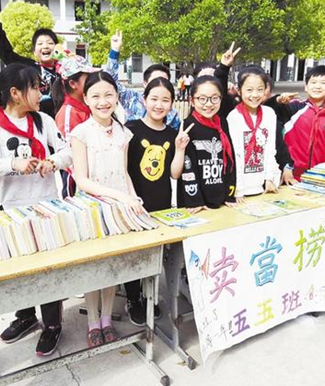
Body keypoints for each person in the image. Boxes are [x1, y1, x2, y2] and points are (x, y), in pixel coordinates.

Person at [0, 63, 71, 356]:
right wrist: (12, 164)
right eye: (35, 87)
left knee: (48, 268)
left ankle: (52, 324)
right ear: (15, 93)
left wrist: (53, 162)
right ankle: (26, 315)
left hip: (47, 206)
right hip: (12, 208)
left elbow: (67, 152)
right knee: (19, 269)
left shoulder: (44, 121)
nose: (41, 91)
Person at [71, 71, 145, 347]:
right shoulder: (81, 133)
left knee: (113, 266)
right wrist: (119, 196)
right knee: (94, 267)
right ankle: (93, 321)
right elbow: (82, 179)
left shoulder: (124, 133)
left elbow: (124, 173)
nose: (103, 101)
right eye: (96, 96)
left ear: (117, 97)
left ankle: (107, 319)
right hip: (91, 210)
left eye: (108, 95)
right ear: (86, 99)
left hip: (119, 209)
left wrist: (134, 200)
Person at [125, 77, 192, 325]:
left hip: (161, 204)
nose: (159, 104)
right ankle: (133, 298)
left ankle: (150, 296)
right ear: (144, 100)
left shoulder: (173, 134)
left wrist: (180, 148)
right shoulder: (130, 130)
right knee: (134, 254)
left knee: (154, 254)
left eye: (165, 100)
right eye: (154, 98)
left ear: (172, 104)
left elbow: (174, 173)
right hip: (134, 203)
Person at [0, 0, 60, 118]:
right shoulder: (28, 68)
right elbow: (6, 54)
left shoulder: (67, 70)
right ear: (34, 51)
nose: (45, 46)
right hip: (36, 123)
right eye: (40, 43)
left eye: (50, 43)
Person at [177, 75, 237, 213]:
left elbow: (230, 159)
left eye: (214, 98)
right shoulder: (187, 126)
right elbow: (188, 166)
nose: (209, 104)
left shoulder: (223, 123)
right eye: (202, 99)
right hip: (195, 202)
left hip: (221, 199)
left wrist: (229, 194)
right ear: (192, 101)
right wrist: (195, 201)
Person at [281, 65, 325, 180]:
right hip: (290, 175)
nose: (317, 86)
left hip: (320, 177)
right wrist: (285, 165)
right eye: (313, 82)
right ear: (306, 87)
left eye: (323, 83)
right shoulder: (293, 108)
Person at [106, 30, 181, 129]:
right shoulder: (132, 98)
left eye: (164, 81)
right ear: (145, 84)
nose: (159, 85)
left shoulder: (172, 114)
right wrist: (115, 51)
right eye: (154, 81)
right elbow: (109, 82)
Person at [227, 66, 280, 203]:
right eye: (249, 90)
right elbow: (235, 155)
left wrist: (270, 178)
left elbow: (271, 149)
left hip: (264, 186)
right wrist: (238, 189)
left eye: (260, 89)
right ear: (239, 90)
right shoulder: (234, 117)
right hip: (241, 190)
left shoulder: (269, 114)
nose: (255, 95)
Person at [52, 53, 99, 198]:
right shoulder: (68, 113)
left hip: (93, 176)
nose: (93, 81)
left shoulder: (88, 106)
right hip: (76, 180)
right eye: (88, 77)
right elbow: (69, 152)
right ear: (73, 84)